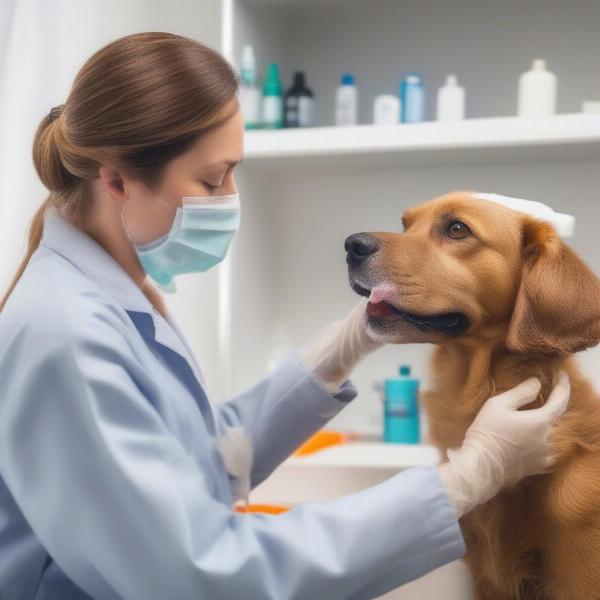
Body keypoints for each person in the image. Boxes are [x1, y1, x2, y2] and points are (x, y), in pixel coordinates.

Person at [0, 32, 570, 600]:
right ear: (117, 178)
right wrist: (466, 480)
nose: (229, 197)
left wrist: (335, 355)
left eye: (233, 170)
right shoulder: (67, 335)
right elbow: (202, 574)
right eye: (210, 178)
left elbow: (197, 457)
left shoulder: (112, 295)